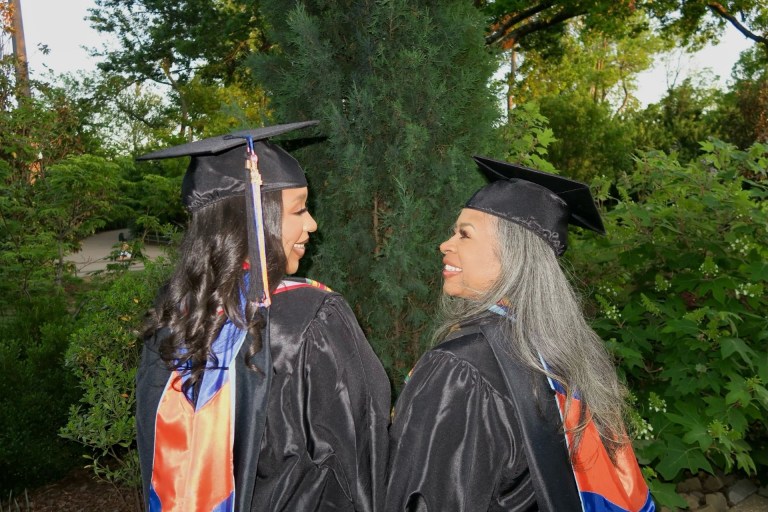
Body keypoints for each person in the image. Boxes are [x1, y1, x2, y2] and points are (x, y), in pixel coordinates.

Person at [135, 121, 390, 512]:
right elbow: (358, 460)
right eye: (299, 209)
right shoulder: (311, 318)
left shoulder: (175, 318)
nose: (311, 225)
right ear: (254, 214)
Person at [386, 156, 654, 511]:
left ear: (513, 255)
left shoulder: (461, 368)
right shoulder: (559, 352)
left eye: (464, 234)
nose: (445, 245)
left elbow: (423, 498)